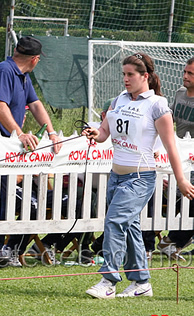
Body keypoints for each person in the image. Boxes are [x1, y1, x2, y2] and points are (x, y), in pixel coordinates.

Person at [83, 52, 194, 299]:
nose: (126, 79)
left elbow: (170, 147)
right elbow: (104, 133)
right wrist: (94, 133)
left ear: (146, 76)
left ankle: (108, 280)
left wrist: (182, 179)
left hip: (139, 179)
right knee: (130, 227)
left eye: (131, 74)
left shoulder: (157, 105)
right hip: (116, 176)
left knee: (113, 223)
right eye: (123, 74)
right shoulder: (118, 100)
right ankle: (141, 282)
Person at [0, 36, 62, 268]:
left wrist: (52, 133)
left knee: (7, 199)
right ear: (35, 59)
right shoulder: (4, 70)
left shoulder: (22, 75)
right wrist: (19, 134)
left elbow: (36, 104)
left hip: (7, 149)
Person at [157, 57, 194, 259]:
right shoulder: (180, 94)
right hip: (173, 159)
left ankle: (173, 240)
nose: (185, 76)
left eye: (191, 74)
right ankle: (171, 240)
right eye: (185, 72)